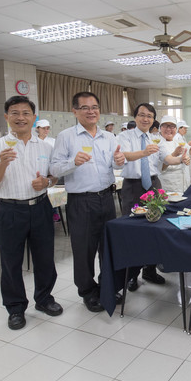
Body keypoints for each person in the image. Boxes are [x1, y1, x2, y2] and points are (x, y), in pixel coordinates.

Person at [0, 96, 62, 330]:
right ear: (7, 117)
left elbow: (54, 176)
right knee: (11, 262)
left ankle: (44, 299)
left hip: (40, 206)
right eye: (15, 113)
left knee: (45, 257)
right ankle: (16, 308)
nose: (20, 117)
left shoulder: (46, 146)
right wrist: (2, 164)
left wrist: (46, 181)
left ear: (33, 118)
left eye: (26, 113)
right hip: (10, 209)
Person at [50, 92, 125, 313]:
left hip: (107, 198)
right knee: (84, 250)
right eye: (85, 107)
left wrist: (119, 161)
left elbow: (116, 165)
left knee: (107, 246)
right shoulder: (66, 137)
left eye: (94, 107)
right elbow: (54, 169)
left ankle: (106, 286)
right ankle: (87, 291)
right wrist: (72, 163)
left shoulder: (109, 137)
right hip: (82, 201)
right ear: (75, 111)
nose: (91, 111)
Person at [118, 105, 183, 290]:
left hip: (154, 185)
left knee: (155, 229)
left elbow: (166, 159)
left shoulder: (156, 138)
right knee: (132, 230)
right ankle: (131, 275)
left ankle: (150, 270)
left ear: (153, 119)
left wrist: (180, 159)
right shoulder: (125, 136)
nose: (145, 119)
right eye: (142, 115)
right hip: (133, 186)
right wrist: (143, 153)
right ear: (136, 117)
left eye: (149, 116)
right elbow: (123, 156)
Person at [159, 115, 191, 193]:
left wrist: (186, 160)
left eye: (172, 126)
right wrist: (175, 154)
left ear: (176, 129)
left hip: (181, 183)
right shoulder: (157, 144)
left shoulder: (178, 143)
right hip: (167, 184)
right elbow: (160, 168)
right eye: (165, 126)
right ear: (160, 128)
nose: (168, 129)